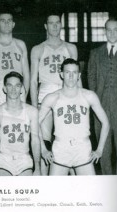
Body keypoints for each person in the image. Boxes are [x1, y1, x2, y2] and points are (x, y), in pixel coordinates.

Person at [39, 58, 109, 175]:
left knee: (90, 191)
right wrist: (43, 149)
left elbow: (105, 123)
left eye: (74, 72)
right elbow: (34, 123)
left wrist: (100, 150)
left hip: (82, 149)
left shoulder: (89, 95)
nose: (71, 76)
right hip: (61, 149)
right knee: (54, 192)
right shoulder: (52, 97)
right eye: (67, 72)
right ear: (61, 74)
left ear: (79, 75)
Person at [30, 12, 78, 175]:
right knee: (45, 141)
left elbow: (76, 77)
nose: (55, 26)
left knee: (69, 139)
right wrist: (33, 105)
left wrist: (79, 100)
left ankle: (72, 179)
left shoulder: (70, 48)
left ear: (61, 25)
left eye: (57, 22)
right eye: (51, 23)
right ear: (46, 26)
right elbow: (32, 80)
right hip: (44, 96)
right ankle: (45, 180)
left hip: (66, 96)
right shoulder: (38, 49)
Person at [88, 17, 117, 175]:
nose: (112, 33)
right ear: (105, 32)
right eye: (108, 30)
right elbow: (91, 79)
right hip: (101, 108)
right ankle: (106, 184)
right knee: (103, 150)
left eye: (115, 29)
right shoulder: (95, 53)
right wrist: (95, 103)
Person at [0, 72, 41, 176]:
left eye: (17, 86)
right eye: (10, 85)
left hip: (24, 158)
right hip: (4, 159)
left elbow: (35, 141)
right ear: (4, 88)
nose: (13, 89)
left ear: (22, 89)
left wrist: (38, 167)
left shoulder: (32, 111)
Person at [0, 8, 29, 109]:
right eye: (3, 21)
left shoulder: (20, 45)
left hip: (16, 86)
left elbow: (27, 74)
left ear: (13, 24)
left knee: (17, 123)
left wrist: (23, 92)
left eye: (9, 21)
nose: (6, 23)